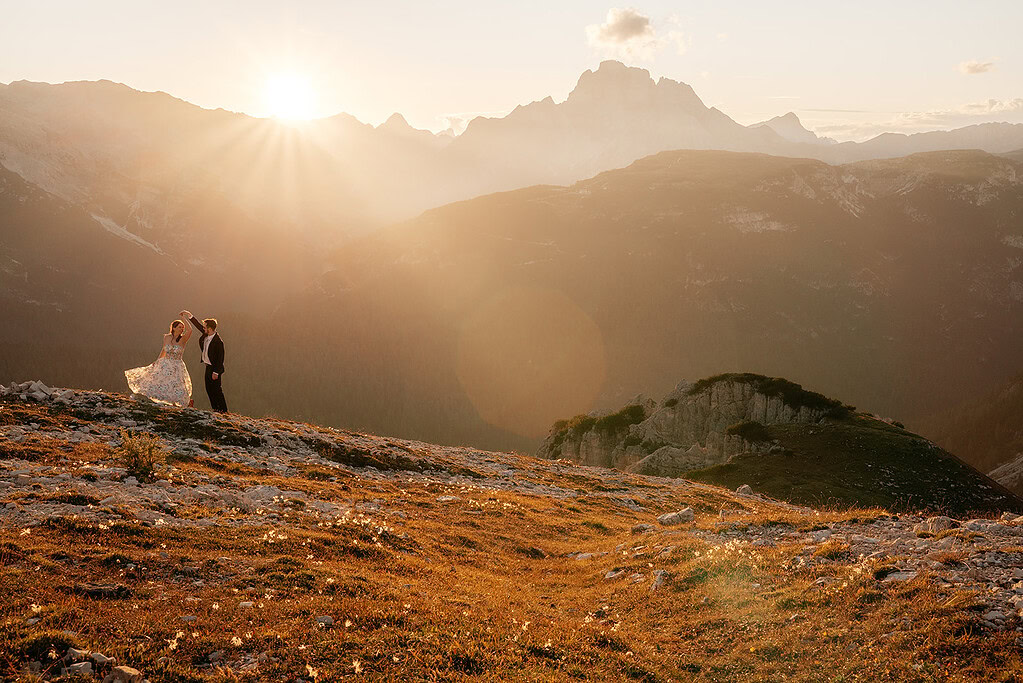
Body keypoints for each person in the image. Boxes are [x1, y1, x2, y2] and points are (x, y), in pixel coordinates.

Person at [124, 314, 193, 407]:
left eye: (182, 327)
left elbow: (190, 330)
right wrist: (157, 361)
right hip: (165, 362)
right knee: (159, 381)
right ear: (174, 328)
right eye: (180, 327)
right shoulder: (167, 337)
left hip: (177, 365)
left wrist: (183, 318)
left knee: (176, 384)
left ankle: (174, 403)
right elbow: (164, 350)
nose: (182, 329)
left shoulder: (183, 339)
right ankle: (158, 400)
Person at [181, 310, 228, 412]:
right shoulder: (206, 334)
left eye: (205, 327)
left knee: (217, 390)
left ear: (210, 329)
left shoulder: (218, 342)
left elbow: (220, 358)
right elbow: (198, 325)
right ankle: (215, 409)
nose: (203, 328)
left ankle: (223, 410)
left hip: (215, 368)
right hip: (208, 367)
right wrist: (189, 316)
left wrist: (216, 372)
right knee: (209, 389)